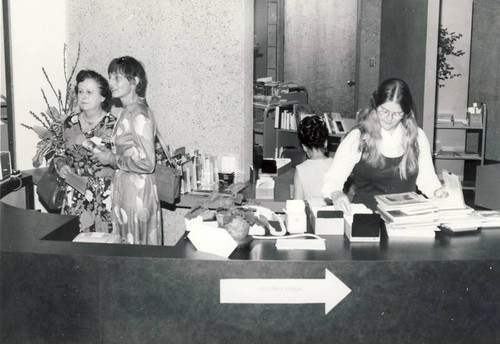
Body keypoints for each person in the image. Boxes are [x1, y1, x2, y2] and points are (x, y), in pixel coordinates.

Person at [322, 78, 448, 212]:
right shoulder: (358, 137)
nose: (389, 118)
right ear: (375, 105)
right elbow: (334, 178)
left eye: (397, 114)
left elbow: (427, 180)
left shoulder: (417, 137)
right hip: (368, 219)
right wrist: (337, 195)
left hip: (406, 218)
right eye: (384, 111)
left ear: (406, 113)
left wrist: (438, 192)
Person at [93, 56, 162, 245]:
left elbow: (147, 164)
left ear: (134, 82)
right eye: (110, 77)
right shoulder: (127, 111)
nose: (111, 83)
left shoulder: (139, 114)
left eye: (117, 78)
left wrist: (111, 159)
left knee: (135, 248)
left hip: (137, 193)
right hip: (126, 190)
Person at [56, 70, 116, 232]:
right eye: (80, 91)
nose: (83, 96)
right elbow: (61, 154)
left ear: (103, 97)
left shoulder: (114, 125)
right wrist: (62, 165)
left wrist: (86, 143)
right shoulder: (70, 122)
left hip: (104, 197)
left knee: (104, 249)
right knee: (74, 248)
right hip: (74, 194)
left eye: (89, 92)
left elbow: (119, 160)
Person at [293, 115, 334, 206]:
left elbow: (297, 205)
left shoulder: (300, 170)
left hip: (312, 216)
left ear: (304, 147)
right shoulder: (336, 164)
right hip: (336, 217)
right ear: (326, 143)